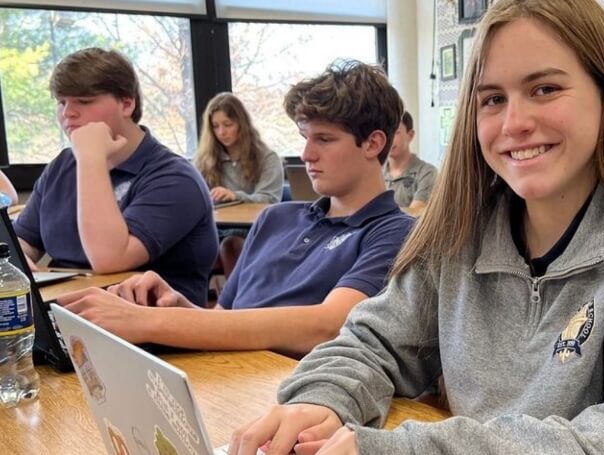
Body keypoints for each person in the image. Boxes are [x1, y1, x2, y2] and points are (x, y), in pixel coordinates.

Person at [227, 0, 604, 454]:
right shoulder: (460, 229)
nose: (514, 123)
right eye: (492, 99)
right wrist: (322, 399)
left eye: (546, 89)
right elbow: (373, 340)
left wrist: (403, 448)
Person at [57, 59, 414, 358]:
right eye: (305, 138)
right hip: (226, 382)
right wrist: (174, 307)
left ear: (373, 143)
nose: (306, 155)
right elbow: (223, 318)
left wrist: (147, 323)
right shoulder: (275, 218)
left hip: (293, 400)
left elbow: (330, 325)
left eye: (324, 139)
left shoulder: (395, 231)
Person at [13, 48, 217, 307]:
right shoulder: (62, 166)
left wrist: (91, 159)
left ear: (127, 103)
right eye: (62, 102)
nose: (68, 113)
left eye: (84, 102)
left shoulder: (175, 178)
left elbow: (108, 259)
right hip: (65, 313)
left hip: (154, 331)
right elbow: (23, 239)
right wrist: (18, 258)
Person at [194, 92, 283, 276]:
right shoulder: (204, 159)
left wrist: (235, 195)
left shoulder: (267, 158)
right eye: (216, 126)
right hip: (214, 229)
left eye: (228, 125)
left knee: (231, 246)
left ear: (241, 124)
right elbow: (191, 195)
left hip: (252, 231)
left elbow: (270, 200)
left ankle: (236, 304)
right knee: (185, 247)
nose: (222, 132)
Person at [382, 111, 436, 216]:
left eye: (396, 132)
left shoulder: (427, 172)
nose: (389, 139)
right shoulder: (375, 172)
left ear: (410, 135)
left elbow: (417, 211)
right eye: (385, 132)